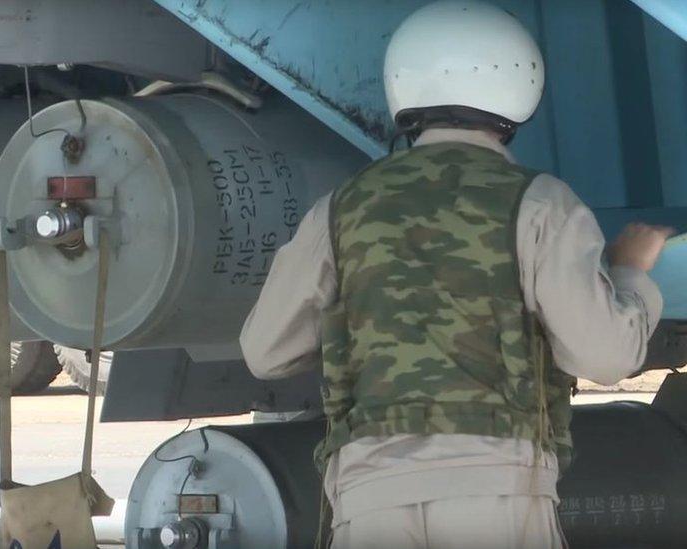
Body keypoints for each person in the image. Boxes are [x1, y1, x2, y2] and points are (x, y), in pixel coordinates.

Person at [239, 1, 673, 548]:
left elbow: (265, 351)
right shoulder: (540, 204)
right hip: (498, 488)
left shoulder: (340, 208)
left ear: (403, 88)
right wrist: (631, 273)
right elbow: (605, 356)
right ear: (522, 90)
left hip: (369, 493)